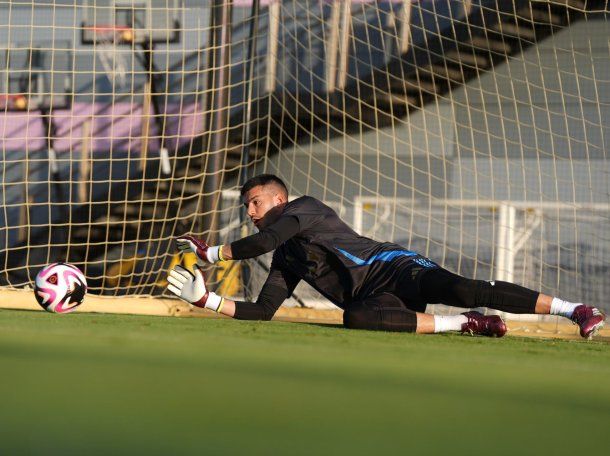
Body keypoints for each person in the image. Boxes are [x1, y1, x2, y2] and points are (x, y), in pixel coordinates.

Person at [166, 174, 606, 339]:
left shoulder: (305, 208)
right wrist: (207, 301)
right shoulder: (286, 254)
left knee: (459, 287)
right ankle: (468, 322)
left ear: (279, 199)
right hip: (375, 297)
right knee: (355, 318)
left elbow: (259, 243)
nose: (249, 211)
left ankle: (575, 309)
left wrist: (213, 252)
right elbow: (263, 311)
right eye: (246, 206)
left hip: (395, 267)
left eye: (255, 202)